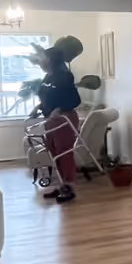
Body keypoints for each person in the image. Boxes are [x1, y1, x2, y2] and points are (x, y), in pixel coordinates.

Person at [36, 43, 83, 203]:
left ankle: (69, 188)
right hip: (50, 120)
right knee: (55, 154)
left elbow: (75, 100)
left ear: (50, 60)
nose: (39, 60)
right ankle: (61, 186)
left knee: (64, 153)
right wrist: (39, 107)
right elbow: (46, 97)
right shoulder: (48, 77)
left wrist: (60, 109)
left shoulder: (64, 76)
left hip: (63, 119)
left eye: (42, 58)